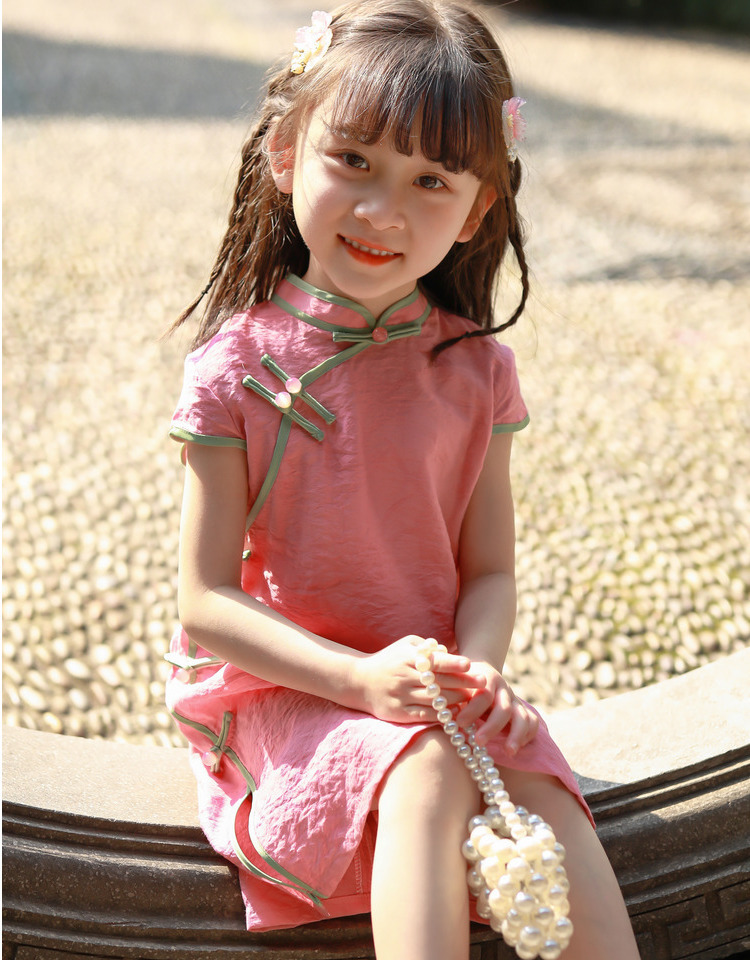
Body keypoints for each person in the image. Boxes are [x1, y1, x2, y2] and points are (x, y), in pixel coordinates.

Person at [165, 1, 641, 958]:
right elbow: (204, 601)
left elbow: (490, 570)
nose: (383, 211)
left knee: (548, 795)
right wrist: (356, 678)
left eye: (430, 181)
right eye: (354, 161)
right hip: (292, 678)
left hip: (430, 683)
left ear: (477, 210)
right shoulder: (237, 368)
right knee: (425, 770)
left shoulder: (477, 372)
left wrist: (483, 670)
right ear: (286, 152)